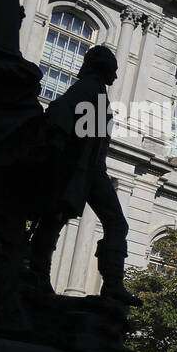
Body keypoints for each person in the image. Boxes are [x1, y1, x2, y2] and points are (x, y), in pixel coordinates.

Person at [28, 45, 139, 305]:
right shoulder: (87, 89)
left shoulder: (95, 90)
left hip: (90, 169)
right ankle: (107, 284)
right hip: (81, 168)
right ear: (104, 68)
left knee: (57, 221)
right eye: (114, 68)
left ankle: (41, 276)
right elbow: (61, 117)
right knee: (58, 220)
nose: (116, 74)